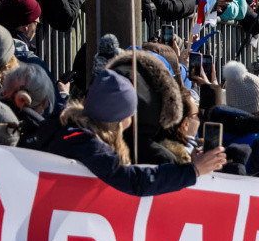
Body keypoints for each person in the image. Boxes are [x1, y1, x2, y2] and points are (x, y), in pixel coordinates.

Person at [42, 70, 225, 194]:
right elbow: (133, 181)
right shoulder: (88, 144)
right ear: (118, 117)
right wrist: (193, 171)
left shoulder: (70, 126)